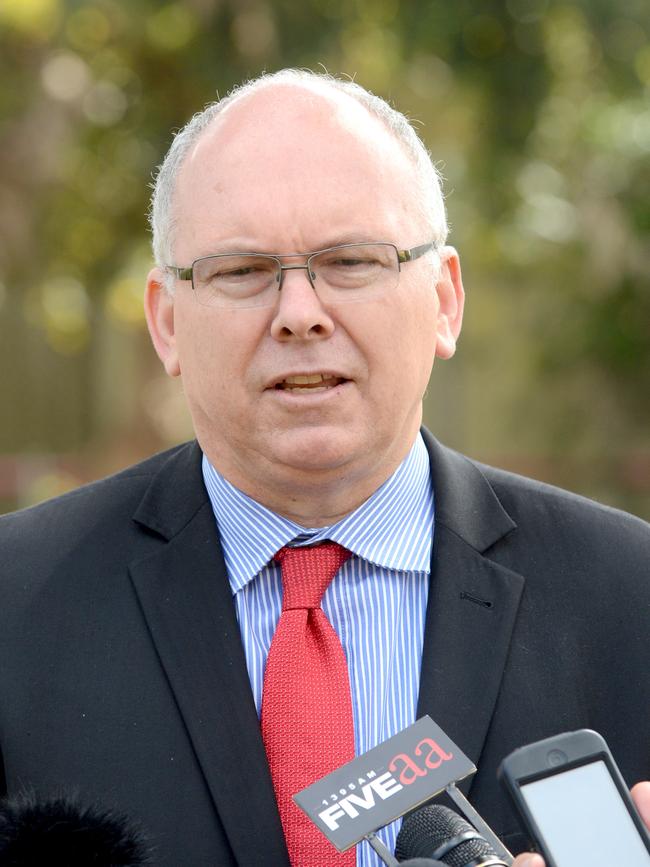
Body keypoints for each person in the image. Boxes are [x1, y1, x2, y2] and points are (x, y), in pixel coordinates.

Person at [0, 69, 648, 867]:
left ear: (444, 300)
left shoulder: (630, 595)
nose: (300, 312)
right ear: (166, 324)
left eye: (351, 260)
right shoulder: (15, 602)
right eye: (240, 270)